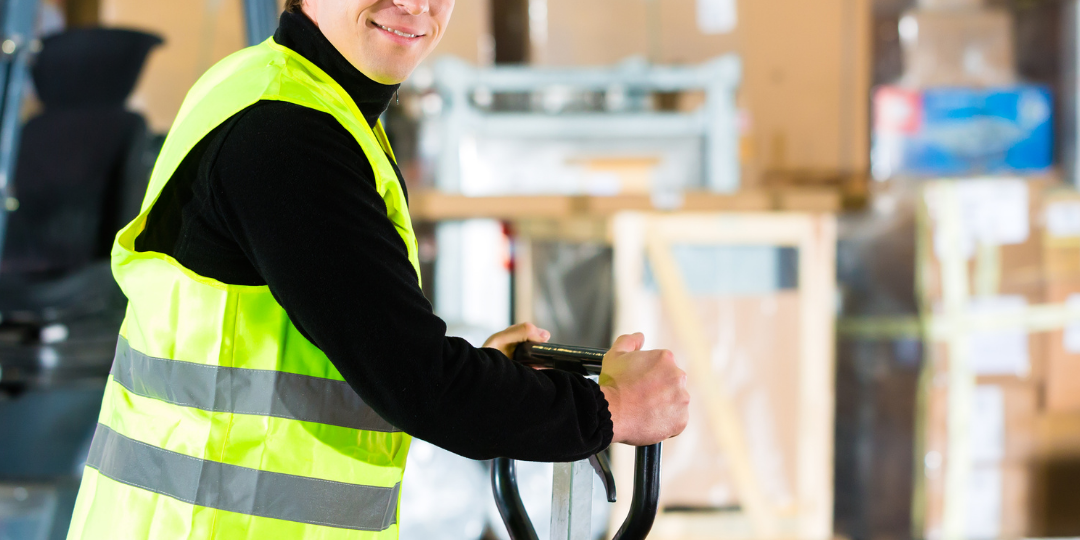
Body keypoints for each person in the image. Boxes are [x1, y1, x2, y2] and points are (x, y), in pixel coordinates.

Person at [66, 1, 689, 538]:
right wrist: (610, 409)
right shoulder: (288, 137)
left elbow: (356, 351)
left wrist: (489, 378)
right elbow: (421, 384)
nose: (415, 4)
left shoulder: (277, 90)